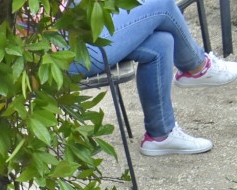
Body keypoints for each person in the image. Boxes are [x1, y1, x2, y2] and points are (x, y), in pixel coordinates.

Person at [70, 0, 237, 156]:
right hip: (73, 52)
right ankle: (198, 67)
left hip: (82, 32)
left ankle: (161, 135)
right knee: (162, 3)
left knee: (161, 43)